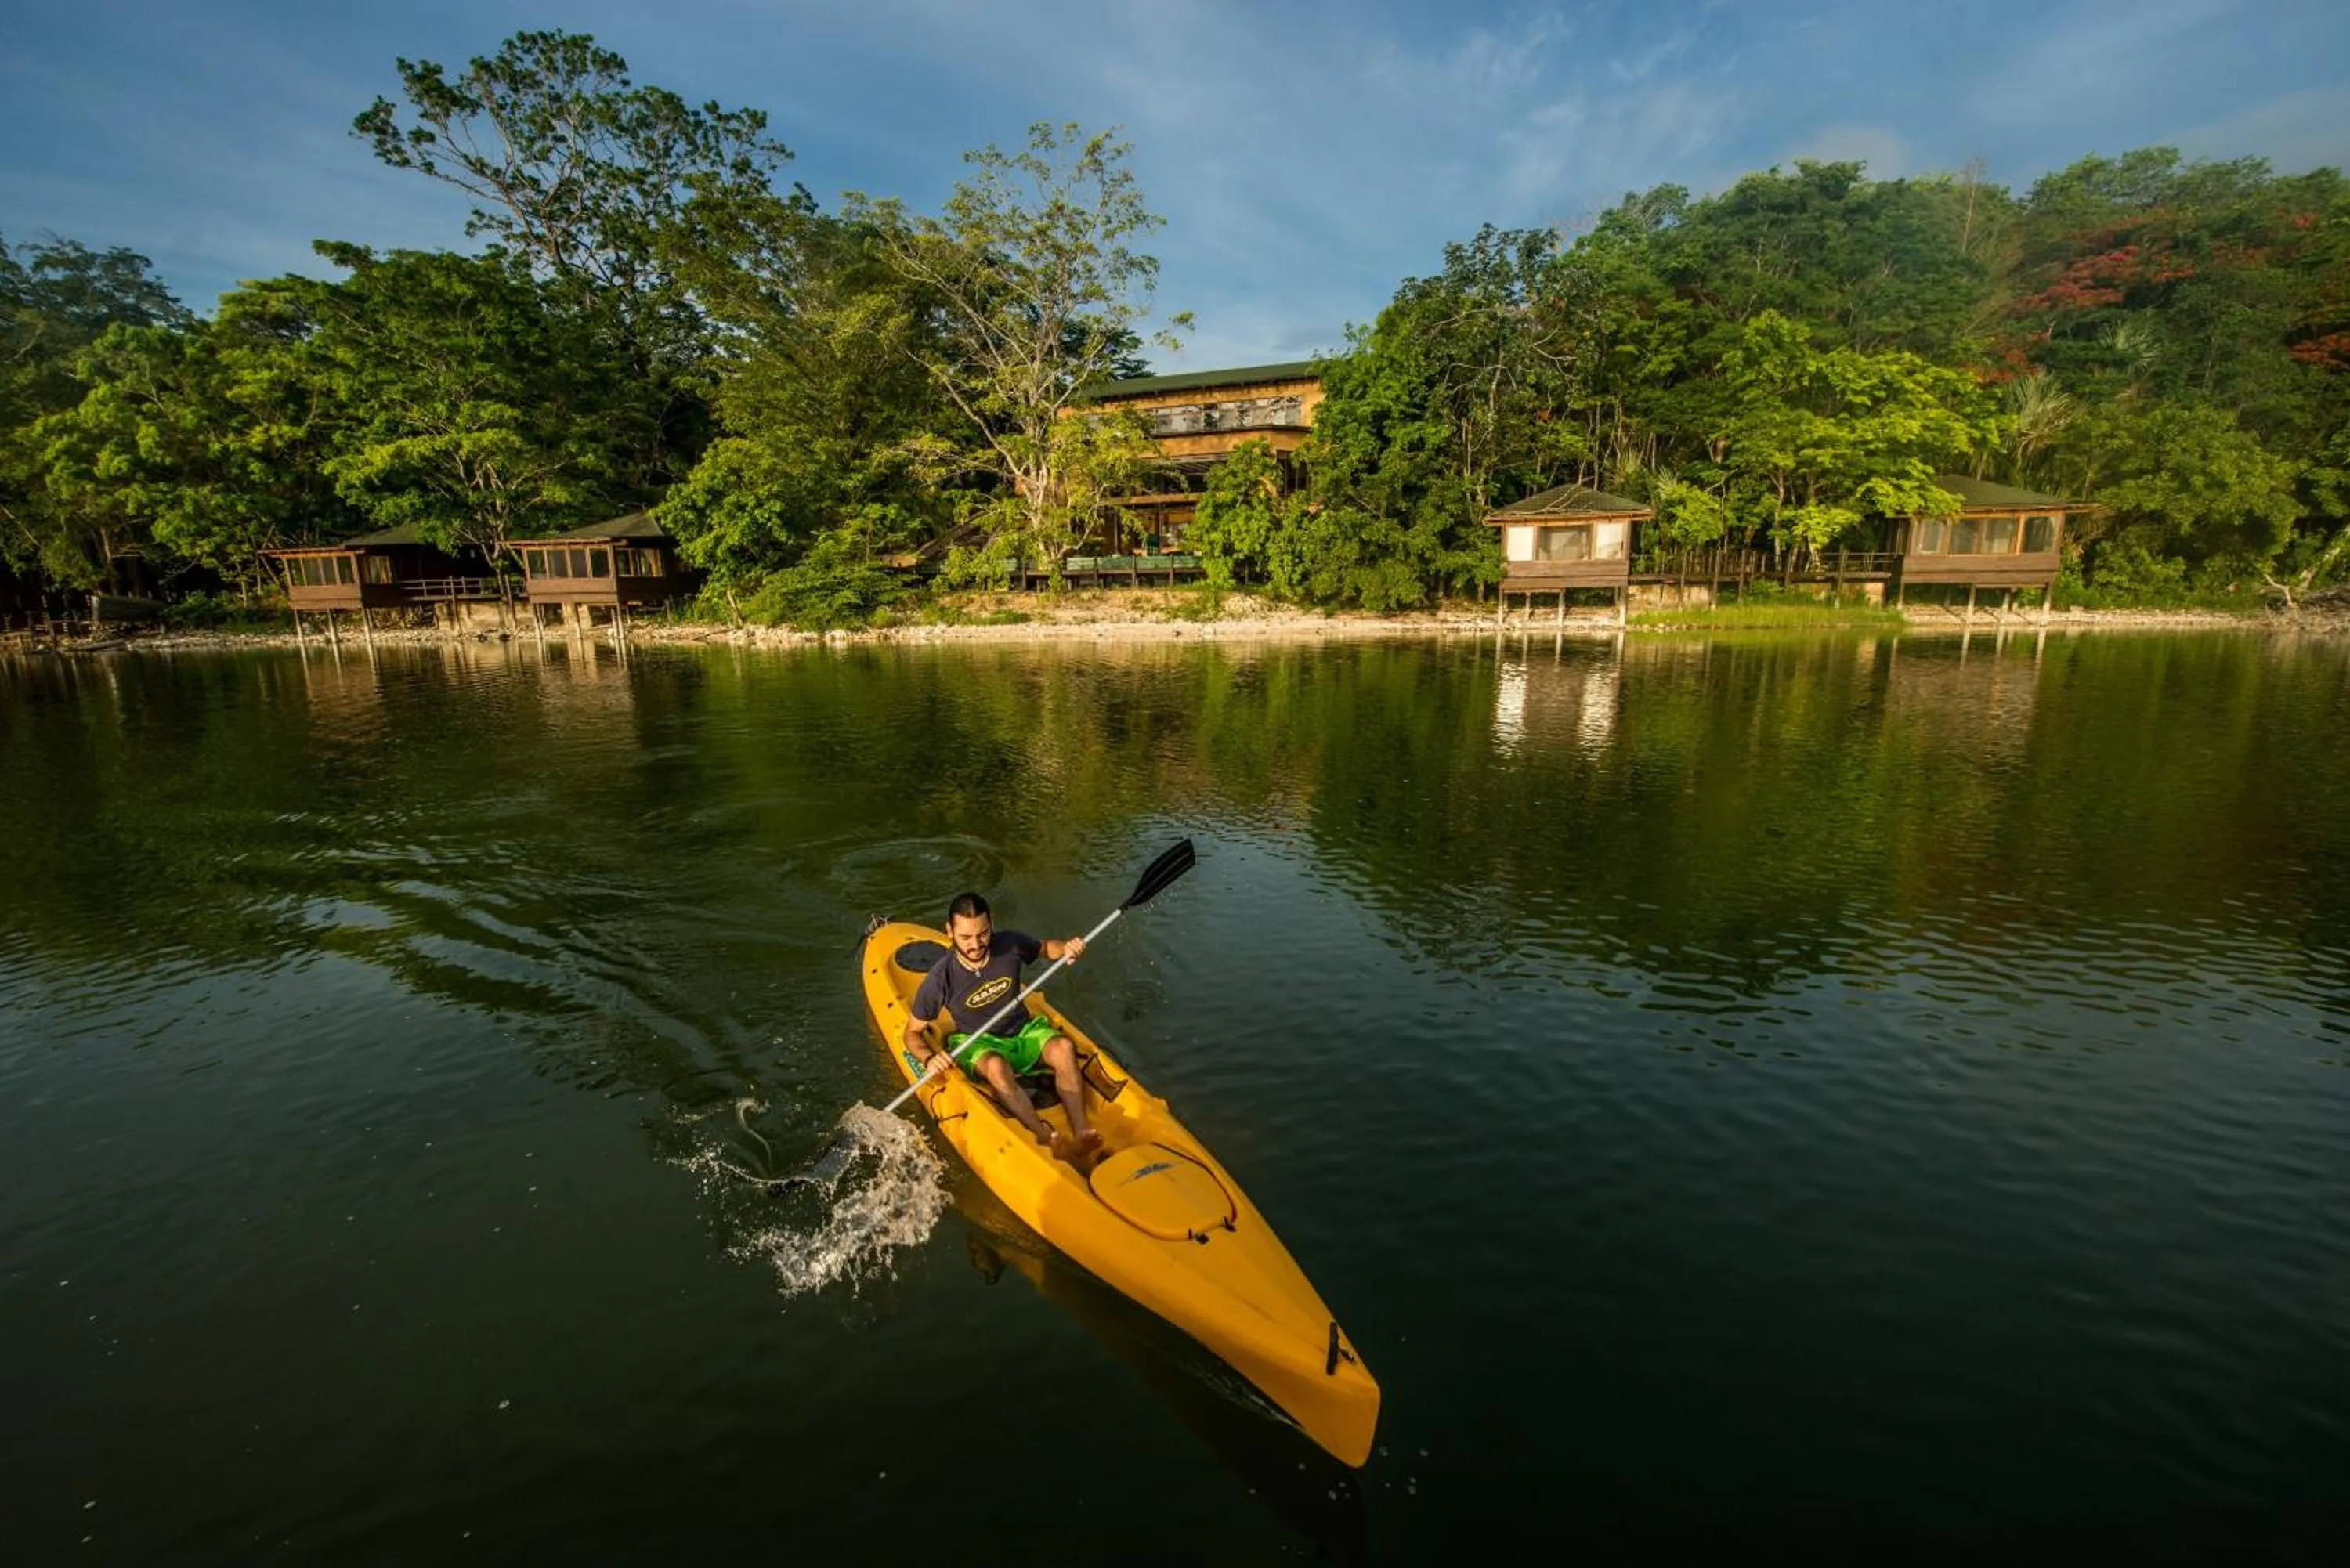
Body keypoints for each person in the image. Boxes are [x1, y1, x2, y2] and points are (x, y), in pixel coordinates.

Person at [905, 891, 1100, 1163]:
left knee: (1064, 1047)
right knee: (997, 1067)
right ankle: (1043, 1136)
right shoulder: (941, 977)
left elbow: (1045, 948)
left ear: (991, 923)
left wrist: (1066, 948)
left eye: (983, 934)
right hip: (979, 1042)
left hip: (1022, 1031)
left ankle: (1081, 1132)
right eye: (965, 937)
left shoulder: (1008, 944)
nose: (976, 944)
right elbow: (912, 1033)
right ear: (949, 931)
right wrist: (928, 1058)